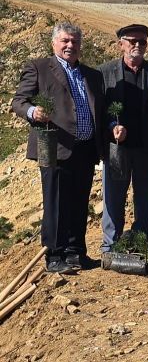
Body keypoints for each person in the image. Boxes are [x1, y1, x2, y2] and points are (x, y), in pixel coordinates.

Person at [11, 23, 105, 273]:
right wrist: (33, 111)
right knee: (55, 202)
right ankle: (54, 255)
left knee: (79, 200)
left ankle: (76, 252)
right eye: (65, 41)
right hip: (54, 147)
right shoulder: (40, 67)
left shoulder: (92, 74)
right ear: (54, 43)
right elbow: (19, 101)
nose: (70, 46)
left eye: (74, 41)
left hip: (85, 148)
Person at [98, 24, 148, 253]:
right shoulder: (104, 72)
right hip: (117, 147)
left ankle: (140, 240)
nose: (137, 45)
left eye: (142, 41)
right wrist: (112, 125)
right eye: (132, 41)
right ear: (120, 44)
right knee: (113, 196)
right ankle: (111, 244)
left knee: (144, 195)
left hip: (146, 146)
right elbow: (100, 108)